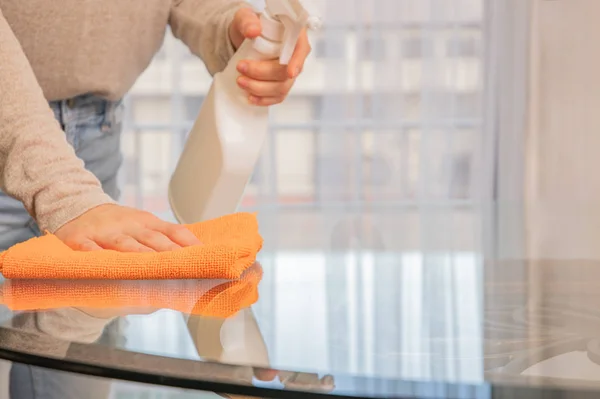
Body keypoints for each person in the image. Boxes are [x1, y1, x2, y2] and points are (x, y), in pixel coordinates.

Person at [0, 0, 311, 252]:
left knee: (96, 318)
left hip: (98, 138)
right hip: (10, 131)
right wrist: (65, 195)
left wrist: (231, 26)